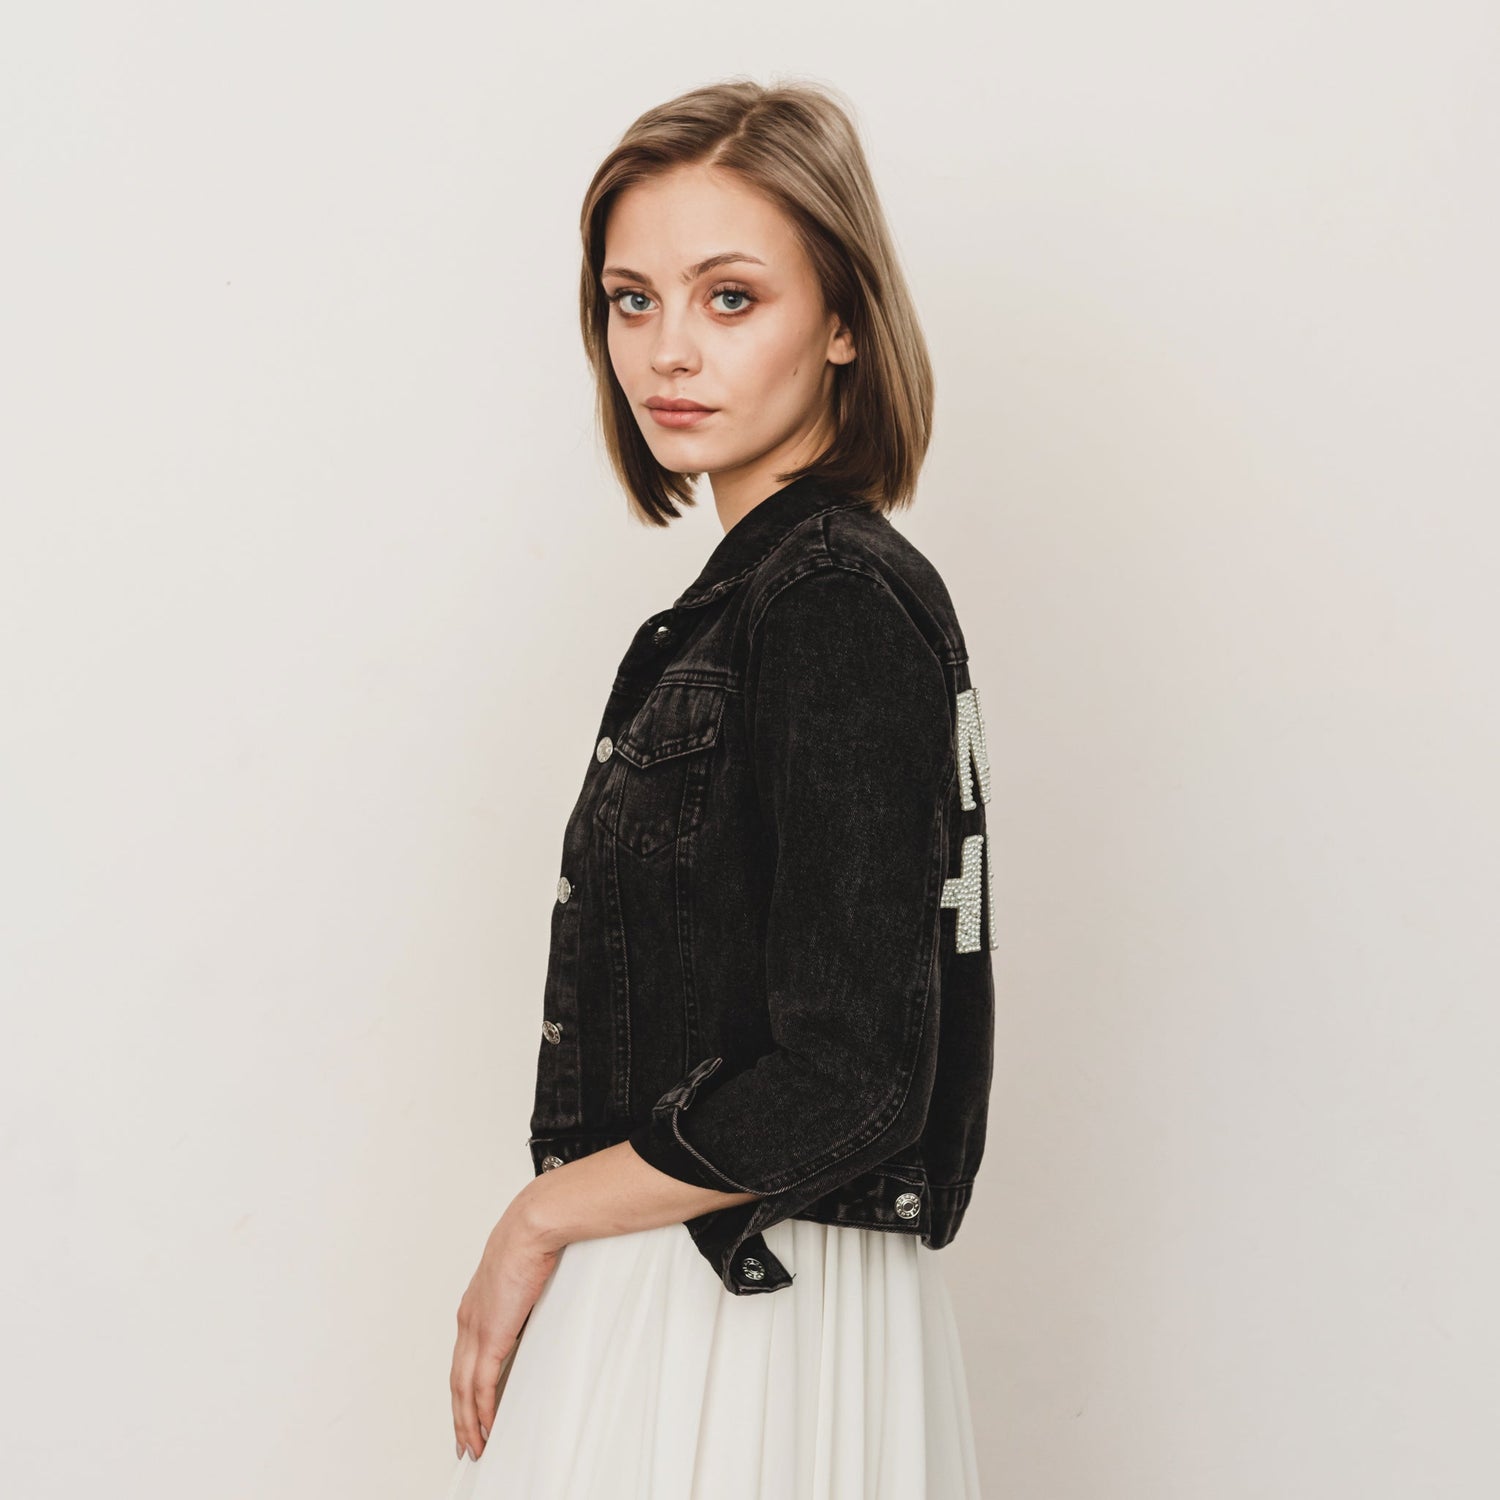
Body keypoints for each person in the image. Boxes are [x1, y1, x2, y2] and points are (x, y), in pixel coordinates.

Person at [440, 76, 996, 1499]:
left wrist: (536, 1218)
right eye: (632, 301)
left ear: (846, 319)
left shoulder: (830, 603)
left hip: (747, 1302)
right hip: (704, 1271)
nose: (668, 349)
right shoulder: (753, 603)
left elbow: (850, 1076)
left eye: (730, 297)